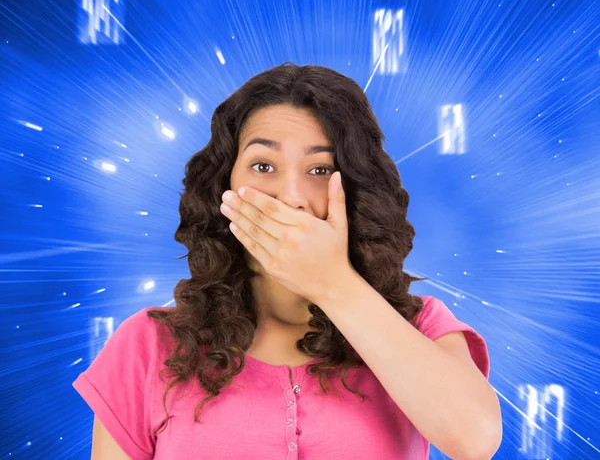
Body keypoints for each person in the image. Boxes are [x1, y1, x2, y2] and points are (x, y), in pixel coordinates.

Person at [73, 62, 502, 460]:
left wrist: (333, 283)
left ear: (355, 189)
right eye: (263, 165)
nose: (291, 197)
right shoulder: (149, 345)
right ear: (224, 185)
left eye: (319, 170)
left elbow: (475, 440)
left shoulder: (420, 329)